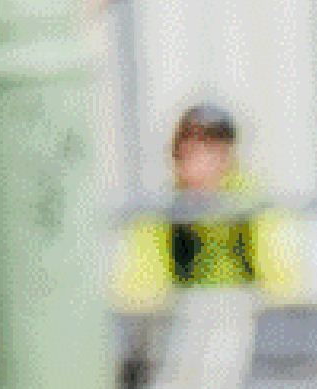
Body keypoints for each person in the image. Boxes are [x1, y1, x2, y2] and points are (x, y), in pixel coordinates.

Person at [111, 99, 299, 303]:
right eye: (192, 150)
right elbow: (139, 292)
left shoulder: (252, 205)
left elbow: (283, 285)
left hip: (246, 322)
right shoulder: (163, 212)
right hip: (183, 326)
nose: (202, 161)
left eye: (212, 148)